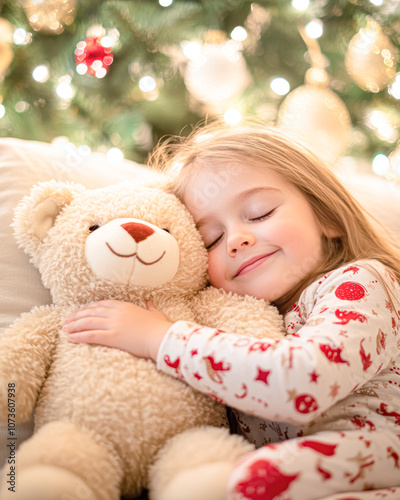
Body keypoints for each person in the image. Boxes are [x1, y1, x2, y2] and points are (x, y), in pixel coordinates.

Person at [64, 121, 400, 500]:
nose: (237, 240)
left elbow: (303, 382)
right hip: (298, 479)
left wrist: (159, 337)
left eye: (259, 213)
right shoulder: (231, 327)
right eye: (212, 239)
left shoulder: (362, 282)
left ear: (326, 216)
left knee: (253, 478)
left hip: (380, 465)